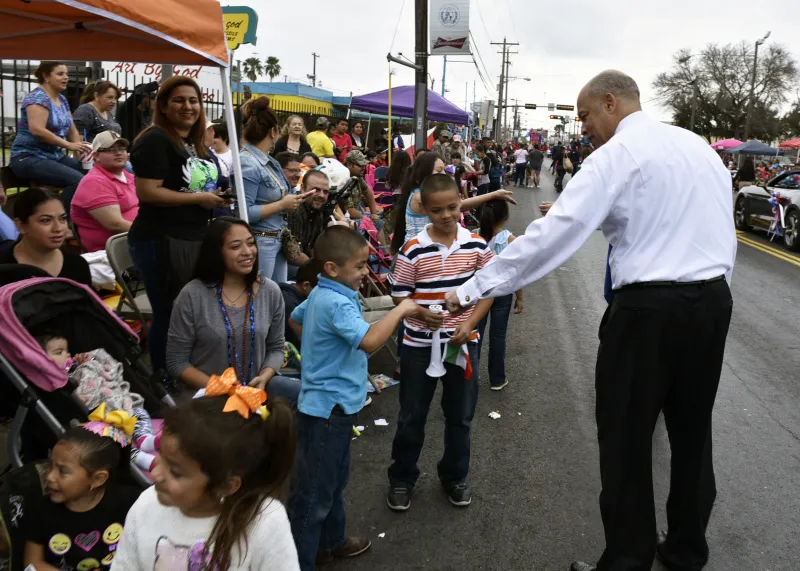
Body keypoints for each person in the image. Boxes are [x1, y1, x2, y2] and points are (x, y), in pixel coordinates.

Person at [443, 70, 736, 571]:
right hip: (711, 302)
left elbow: (552, 236)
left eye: (584, 116)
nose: (583, 128)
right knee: (692, 431)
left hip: (647, 311)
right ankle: (687, 549)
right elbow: (681, 218)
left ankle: (627, 559)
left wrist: (474, 286)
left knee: (625, 437)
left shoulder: (615, 155)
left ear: (610, 102)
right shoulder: (699, 148)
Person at [287, 226, 421, 571]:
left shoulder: (323, 293)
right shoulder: (335, 302)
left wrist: (319, 354)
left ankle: (331, 542)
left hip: (334, 406)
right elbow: (370, 341)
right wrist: (401, 310)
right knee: (315, 490)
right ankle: (299, 561)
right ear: (332, 268)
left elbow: (295, 319)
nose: (365, 273)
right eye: (360, 266)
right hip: (327, 409)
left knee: (333, 477)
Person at [387, 173, 493, 511]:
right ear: (424, 209)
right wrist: (418, 311)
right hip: (418, 346)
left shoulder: (477, 244)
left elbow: (488, 290)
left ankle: (454, 477)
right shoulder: (412, 249)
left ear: (461, 202)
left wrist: (471, 324)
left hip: (463, 345)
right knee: (411, 415)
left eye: (452, 207)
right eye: (437, 210)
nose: (446, 215)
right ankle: (402, 478)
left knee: (460, 416)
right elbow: (399, 297)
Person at [110, 393, 300, 571]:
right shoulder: (146, 505)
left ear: (226, 486)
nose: (156, 474)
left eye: (175, 473)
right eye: (160, 456)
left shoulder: (265, 522)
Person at [127, 76, 229, 374]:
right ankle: (165, 376)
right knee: (170, 312)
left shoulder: (195, 144)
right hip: (161, 240)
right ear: (163, 105)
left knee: (187, 312)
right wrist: (200, 199)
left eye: (194, 100)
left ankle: (187, 370)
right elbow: (147, 191)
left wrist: (216, 197)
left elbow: (196, 188)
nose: (188, 106)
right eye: (179, 100)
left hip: (192, 237)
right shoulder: (155, 139)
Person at [166, 217, 301, 405]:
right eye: (235, 246)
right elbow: (176, 363)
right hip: (209, 398)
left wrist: (264, 376)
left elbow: (276, 348)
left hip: (257, 393)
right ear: (216, 253)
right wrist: (223, 388)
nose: (248, 252)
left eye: (251, 243)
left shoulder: (270, 291)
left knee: (313, 401)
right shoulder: (192, 295)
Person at [24, 427, 140, 571]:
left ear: (98, 479)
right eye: (50, 465)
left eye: (62, 471)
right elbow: (32, 563)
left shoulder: (130, 502)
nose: (49, 476)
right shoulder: (41, 508)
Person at [238, 97, 314, 283]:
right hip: (261, 242)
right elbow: (244, 212)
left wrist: (294, 199)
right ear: (274, 132)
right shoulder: (248, 162)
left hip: (276, 240)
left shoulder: (269, 162)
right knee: (262, 297)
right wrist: (282, 204)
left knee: (277, 296)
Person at [391, 151, 516, 254]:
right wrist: (493, 194)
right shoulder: (420, 196)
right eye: (439, 170)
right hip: (420, 254)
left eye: (444, 170)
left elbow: (460, 204)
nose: (444, 175)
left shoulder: (420, 193)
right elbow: (461, 205)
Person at [9, 62, 92, 203]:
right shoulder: (37, 98)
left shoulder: (61, 99)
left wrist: (80, 148)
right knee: (77, 181)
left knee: (93, 175)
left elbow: (71, 128)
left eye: (67, 74)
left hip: (54, 156)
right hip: (29, 157)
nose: (66, 77)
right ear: (46, 76)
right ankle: (62, 220)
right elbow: (37, 130)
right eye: (60, 74)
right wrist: (68, 145)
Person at [475, 199, 523, 391]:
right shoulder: (511, 240)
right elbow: (517, 273)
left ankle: (470, 376)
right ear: (505, 217)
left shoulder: (476, 237)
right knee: (498, 336)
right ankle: (497, 379)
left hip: (480, 292)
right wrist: (520, 297)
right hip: (503, 292)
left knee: (475, 334)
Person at [0, 187, 91, 285]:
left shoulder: (78, 265)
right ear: (21, 225)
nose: (58, 228)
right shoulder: (3, 267)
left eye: (62, 218)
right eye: (46, 220)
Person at [70, 131, 139, 252]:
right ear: (96, 156)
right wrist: (156, 231)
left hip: (136, 242)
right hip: (114, 252)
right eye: (110, 149)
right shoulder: (94, 182)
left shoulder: (129, 177)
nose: (118, 153)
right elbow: (115, 225)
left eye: (122, 149)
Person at [286, 170, 334, 260]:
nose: (322, 195)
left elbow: (313, 247)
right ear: (302, 188)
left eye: (326, 192)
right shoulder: (294, 210)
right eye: (316, 190)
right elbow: (293, 254)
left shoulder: (317, 211)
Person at [279, 257, 323, 351]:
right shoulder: (289, 304)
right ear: (305, 285)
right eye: (321, 291)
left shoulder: (298, 295)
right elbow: (298, 342)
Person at [341, 150, 381, 223]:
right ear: (349, 165)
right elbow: (349, 211)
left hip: (357, 214)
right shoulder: (343, 181)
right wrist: (366, 218)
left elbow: (368, 192)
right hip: (346, 219)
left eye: (364, 165)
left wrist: (373, 213)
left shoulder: (358, 177)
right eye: (360, 165)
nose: (363, 168)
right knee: (374, 223)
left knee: (378, 222)